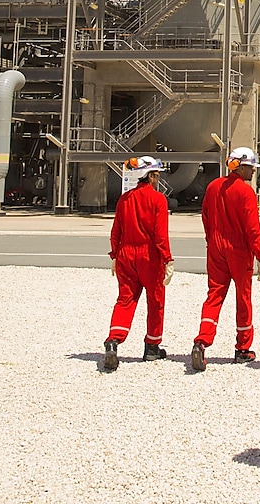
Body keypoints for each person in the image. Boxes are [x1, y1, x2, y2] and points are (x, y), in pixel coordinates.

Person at [191, 147, 260, 372]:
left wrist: (211, 239)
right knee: (243, 298)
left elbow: (205, 216)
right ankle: (243, 348)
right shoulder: (245, 192)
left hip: (215, 247)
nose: (253, 171)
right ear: (240, 167)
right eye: (251, 167)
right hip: (239, 250)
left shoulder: (213, 187)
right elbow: (252, 227)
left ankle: (202, 341)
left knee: (214, 295)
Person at [103, 156, 174, 372]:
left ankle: (114, 340)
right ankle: (152, 347)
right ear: (150, 176)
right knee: (155, 300)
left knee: (125, 300)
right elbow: (160, 235)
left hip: (125, 254)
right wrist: (167, 258)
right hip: (149, 257)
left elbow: (116, 231)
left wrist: (115, 255)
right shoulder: (158, 200)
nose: (157, 180)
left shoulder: (124, 199)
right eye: (156, 176)